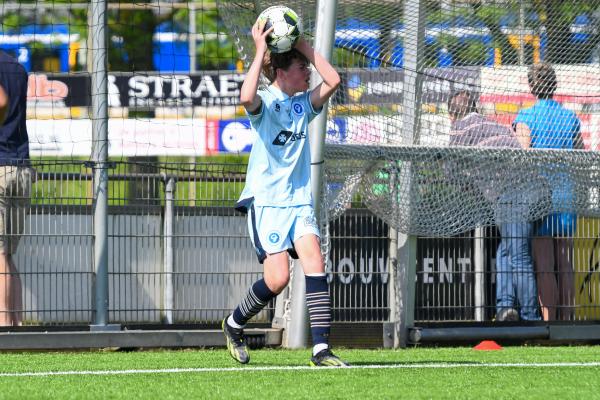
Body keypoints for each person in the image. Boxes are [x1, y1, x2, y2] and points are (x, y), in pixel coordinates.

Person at [222, 19, 346, 366]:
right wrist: (261, 49)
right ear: (282, 72)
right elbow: (246, 97)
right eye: (301, 67)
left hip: (299, 202)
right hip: (267, 204)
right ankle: (234, 324)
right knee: (277, 279)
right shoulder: (266, 102)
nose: (308, 71)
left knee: (316, 263)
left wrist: (304, 47)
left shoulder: (302, 105)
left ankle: (321, 349)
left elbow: (333, 80)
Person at [447, 90, 540, 322]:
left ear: (452, 114)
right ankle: (505, 308)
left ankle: (530, 318)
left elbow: (450, 172)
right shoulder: (492, 123)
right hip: (530, 188)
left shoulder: (459, 129)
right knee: (505, 251)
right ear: (474, 108)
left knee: (519, 256)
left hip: (510, 193)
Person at [513, 62, 583, 321]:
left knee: (544, 265)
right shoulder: (571, 118)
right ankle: (569, 319)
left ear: (532, 86)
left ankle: (549, 320)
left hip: (539, 197)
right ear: (554, 85)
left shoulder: (525, 117)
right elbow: (581, 156)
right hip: (567, 194)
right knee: (565, 263)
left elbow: (521, 157)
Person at [0, 50, 33, 326]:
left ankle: (4, 325)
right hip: (21, 168)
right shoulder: (17, 67)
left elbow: (1, 101)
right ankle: (17, 324)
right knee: (7, 254)